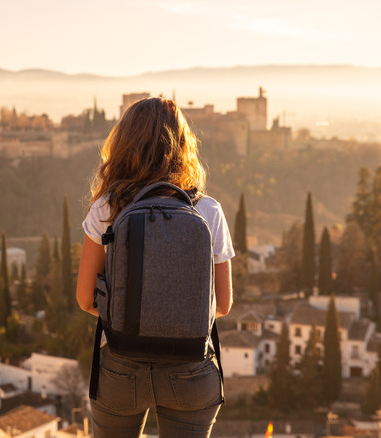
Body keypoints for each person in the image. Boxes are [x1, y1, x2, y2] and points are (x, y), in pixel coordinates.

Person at [76, 97, 235, 438]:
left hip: (120, 364)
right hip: (191, 369)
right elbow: (221, 306)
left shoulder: (106, 208)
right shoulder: (208, 211)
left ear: (123, 144)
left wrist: (133, 319)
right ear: (182, 146)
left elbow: (86, 299)